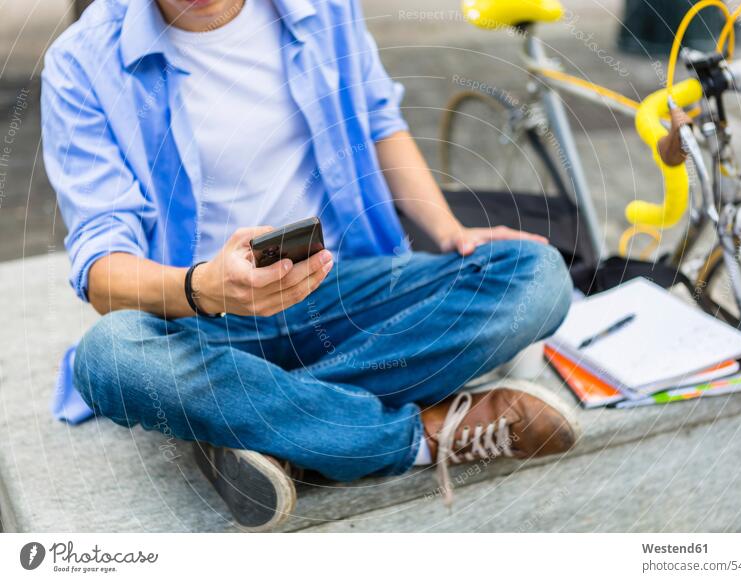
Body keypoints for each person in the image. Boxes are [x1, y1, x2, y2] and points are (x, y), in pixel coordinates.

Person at [42, 0, 577, 532]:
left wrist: (450, 231)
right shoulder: (81, 62)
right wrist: (205, 287)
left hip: (336, 287)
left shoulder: (322, 7)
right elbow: (102, 269)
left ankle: (257, 423)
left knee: (536, 276)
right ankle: (411, 438)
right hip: (197, 320)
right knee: (109, 354)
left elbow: (379, 122)